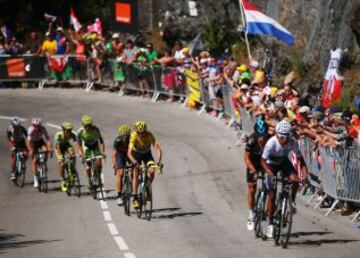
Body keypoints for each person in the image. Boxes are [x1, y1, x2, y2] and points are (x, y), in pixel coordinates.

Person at [260, 120, 308, 238]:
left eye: (286, 136)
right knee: (271, 194)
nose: (284, 139)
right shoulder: (271, 143)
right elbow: (262, 161)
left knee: (295, 180)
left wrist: (305, 173)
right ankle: (270, 224)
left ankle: (291, 201)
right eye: (281, 136)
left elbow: (300, 159)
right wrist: (270, 174)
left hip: (283, 162)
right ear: (276, 134)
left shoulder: (292, 142)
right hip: (270, 164)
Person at [127, 121, 162, 209]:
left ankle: (147, 187)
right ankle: (134, 197)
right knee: (136, 173)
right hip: (136, 155)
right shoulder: (133, 135)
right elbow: (129, 153)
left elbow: (157, 149)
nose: (141, 134)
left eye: (143, 132)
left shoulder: (149, 135)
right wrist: (134, 162)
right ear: (136, 131)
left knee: (152, 171)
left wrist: (159, 161)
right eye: (140, 133)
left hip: (147, 155)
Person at [244, 118, 268, 231]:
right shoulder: (251, 140)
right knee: (252, 188)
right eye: (259, 135)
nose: (261, 138)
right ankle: (251, 214)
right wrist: (254, 171)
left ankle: (267, 209)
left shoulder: (270, 139)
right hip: (253, 163)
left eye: (263, 135)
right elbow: (246, 158)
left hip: (266, 163)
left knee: (270, 186)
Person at [76, 115, 106, 188]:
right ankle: (89, 181)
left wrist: (102, 152)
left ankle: (98, 176)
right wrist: (81, 154)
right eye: (86, 126)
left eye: (89, 125)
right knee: (88, 166)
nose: (88, 127)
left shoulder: (95, 129)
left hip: (95, 145)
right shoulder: (80, 131)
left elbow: (101, 141)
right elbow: (78, 144)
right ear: (83, 125)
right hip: (86, 147)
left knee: (99, 162)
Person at [27, 118, 53, 188]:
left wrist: (50, 147)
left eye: (38, 126)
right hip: (32, 143)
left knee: (46, 150)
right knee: (34, 161)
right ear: (32, 125)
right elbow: (28, 142)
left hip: (40, 141)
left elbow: (47, 139)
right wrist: (30, 150)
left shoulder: (42, 128)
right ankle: (35, 179)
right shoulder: (30, 130)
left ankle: (44, 163)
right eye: (35, 126)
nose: (37, 127)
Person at [54, 121, 77, 192]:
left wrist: (80, 152)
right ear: (63, 130)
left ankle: (72, 169)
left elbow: (77, 144)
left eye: (70, 130)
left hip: (66, 145)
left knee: (72, 154)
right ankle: (63, 181)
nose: (69, 132)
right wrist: (61, 157)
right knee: (62, 163)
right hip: (59, 148)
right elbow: (58, 147)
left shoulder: (73, 134)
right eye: (68, 131)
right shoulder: (59, 135)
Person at [112, 125, 131, 205]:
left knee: (135, 170)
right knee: (120, 173)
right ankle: (119, 196)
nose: (124, 137)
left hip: (130, 154)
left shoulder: (132, 139)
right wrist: (115, 164)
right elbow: (114, 154)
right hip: (121, 155)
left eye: (126, 135)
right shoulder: (117, 140)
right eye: (122, 135)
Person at [7, 117, 28, 181]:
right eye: (15, 126)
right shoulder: (9, 129)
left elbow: (27, 138)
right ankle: (13, 173)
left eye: (18, 126)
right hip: (14, 143)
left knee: (26, 154)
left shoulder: (22, 129)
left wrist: (28, 147)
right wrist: (12, 147)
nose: (17, 127)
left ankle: (22, 163)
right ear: (12, 125)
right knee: (14, 157)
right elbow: (8, 139)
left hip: (21, 142)